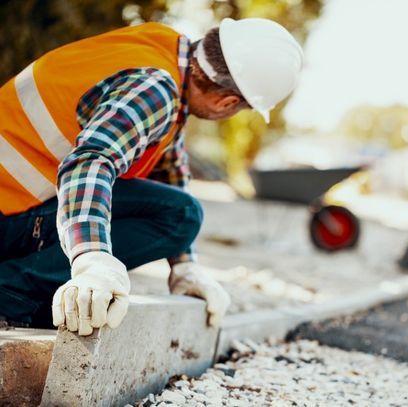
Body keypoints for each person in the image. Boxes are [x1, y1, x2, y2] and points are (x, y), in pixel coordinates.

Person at [0, 18, 303, 335]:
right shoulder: (156, 90)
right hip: (7, 213)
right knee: (182, 215)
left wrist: (185, 265)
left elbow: (168, 171)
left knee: (180, 210)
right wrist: (91, 258)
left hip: (13, 205)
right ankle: (11, 293)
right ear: (226, 102)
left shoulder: (161, 50)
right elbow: (89, 163)